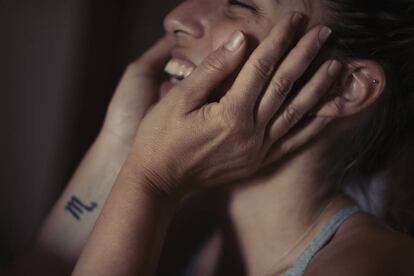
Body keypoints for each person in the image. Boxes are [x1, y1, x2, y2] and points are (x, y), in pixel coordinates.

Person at [5, 0, 414, 275]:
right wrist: (120, 144)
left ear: (346, 87)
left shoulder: (370, 264)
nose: (178, 16)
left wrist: (149, 180)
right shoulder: (183, 228)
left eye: (239, 3)